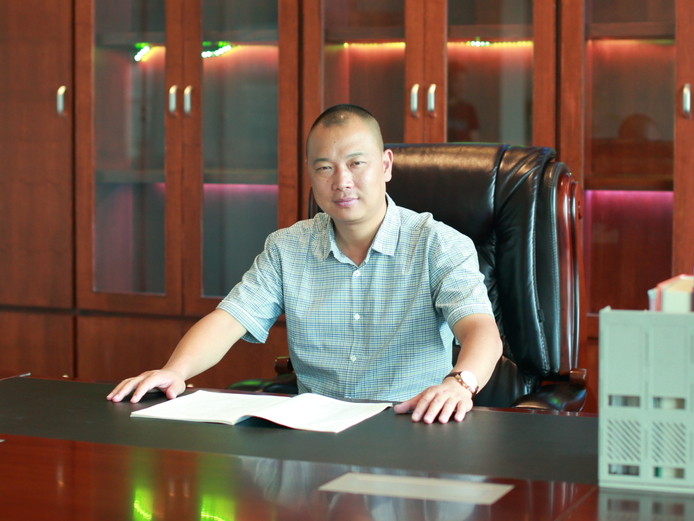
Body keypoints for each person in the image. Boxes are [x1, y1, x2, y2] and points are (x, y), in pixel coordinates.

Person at [107, 104, 503, 424]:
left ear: (385, 165)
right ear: (310, 175)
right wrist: (175, 371)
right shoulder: (288, 248)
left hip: (412, 424)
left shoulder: (438, 244)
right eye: (325, 167)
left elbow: (480, 329)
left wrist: (460, 383)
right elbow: (230, 319)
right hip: (315, 433)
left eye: (356, 163)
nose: (341, 181)